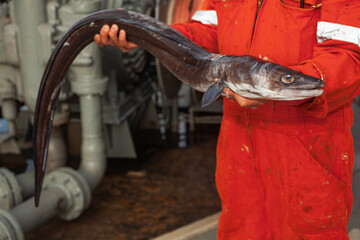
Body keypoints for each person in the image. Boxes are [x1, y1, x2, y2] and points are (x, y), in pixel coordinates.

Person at [94, 0, 360, 239]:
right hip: (238, 146)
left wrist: (282, 89)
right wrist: (150, 36)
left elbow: (349, 54)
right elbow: (208, 31)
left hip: (306, 149)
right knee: (241, 230)